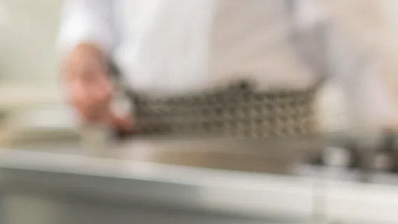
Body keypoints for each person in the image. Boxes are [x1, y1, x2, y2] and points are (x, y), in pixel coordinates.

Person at [57, 0, 398, 137]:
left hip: (265, 147)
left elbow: (357, 40)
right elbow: (89, 10)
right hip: (144, 138)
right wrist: (85, 49)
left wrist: (386, 137)